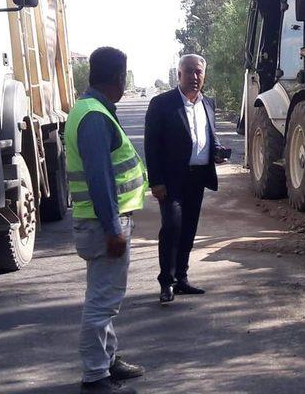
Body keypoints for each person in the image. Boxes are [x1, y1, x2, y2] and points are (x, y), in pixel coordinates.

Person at [67, 47, 146, 394]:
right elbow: (99, 178)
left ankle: (108, 360)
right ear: (119, 78)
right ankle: (95, 376)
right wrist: (114, 228)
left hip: (99, 223)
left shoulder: (90, 110)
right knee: (101, 303)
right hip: (103, 226)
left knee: (103, 297)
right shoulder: (95, 116)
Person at [144, 54, 227, 304]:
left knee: (189, 229)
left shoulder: (208, 103)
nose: (194, 77)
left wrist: (217, 151)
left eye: (198, 72)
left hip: (197, 178)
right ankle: (166, 282)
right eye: (189, 72)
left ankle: (181, 278)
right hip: (170, 181)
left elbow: (208, 136)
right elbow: (151, 145)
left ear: (204, 75)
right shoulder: (162, 104)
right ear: (178, 74)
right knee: (171, 227)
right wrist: (156, 181)